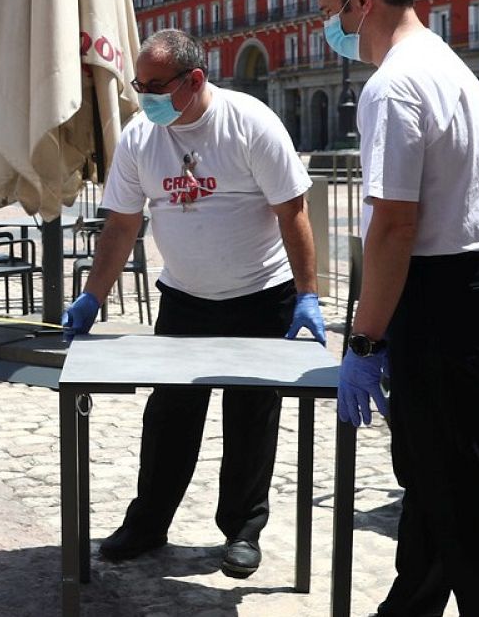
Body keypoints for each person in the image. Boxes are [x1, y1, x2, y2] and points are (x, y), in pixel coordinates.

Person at [62, 28, 324, 580]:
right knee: (170, 415)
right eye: (139, 85)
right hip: (184, 297)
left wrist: (307, 295)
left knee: (251, 417)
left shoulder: (249, 122)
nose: (145, 96)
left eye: (155, 86)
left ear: (195, 78)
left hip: (261, 296)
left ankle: (243, 530)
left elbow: (293, 212)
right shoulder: (140, 137)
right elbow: (121, 224)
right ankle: (148, 523)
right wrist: (91, 295)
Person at [322, 0, 479, 616]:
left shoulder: (393, 85)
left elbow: (394, 225)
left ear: (361, 1)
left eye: (331, 12)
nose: (329, 29)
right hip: (473, 282)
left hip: (437, 293)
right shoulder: (450, 67)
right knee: (434, 473)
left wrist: (365, 339)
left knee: (459, 484)